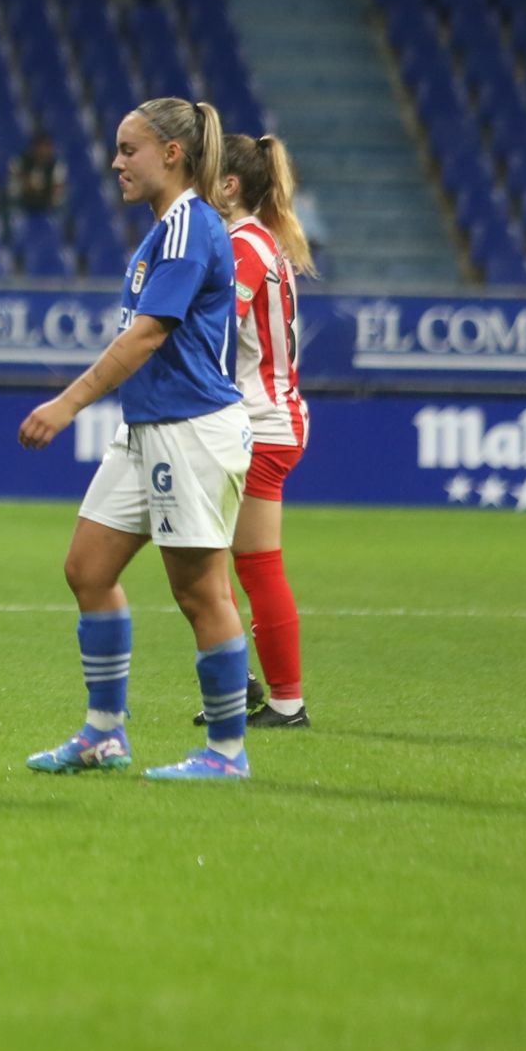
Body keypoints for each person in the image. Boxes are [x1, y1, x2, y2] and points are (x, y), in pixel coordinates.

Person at [17, 97, 255, 781]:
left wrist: (65, 405)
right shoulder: (162, 230)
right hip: (149, 427)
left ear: (171, 154)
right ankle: (103, 733)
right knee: (88, 568)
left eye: (129, 149)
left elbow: (149, 334)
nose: (116, 162)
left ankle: (227, 753)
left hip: (191, 430)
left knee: (201, 592)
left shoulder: (188, 227)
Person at [196, 133, 315, 730]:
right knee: (209, 557)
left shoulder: (242, 245)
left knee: (256, 562)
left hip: (261, 423)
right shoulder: (260, 241)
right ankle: (236, 683)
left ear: (230, 187)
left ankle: (287, 702)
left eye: (209, 174)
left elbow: (216, 331)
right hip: (266, 417)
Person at [9, 131, 67, 219]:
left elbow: (57, 192)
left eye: (47, 147)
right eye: (40, 148)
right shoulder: (20, 162)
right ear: (34, 148)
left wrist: (34, 187)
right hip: (22, 203)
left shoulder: (57, 166)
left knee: (62, 207)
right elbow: (13, 187)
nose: (43, 151)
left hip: (46, 206)